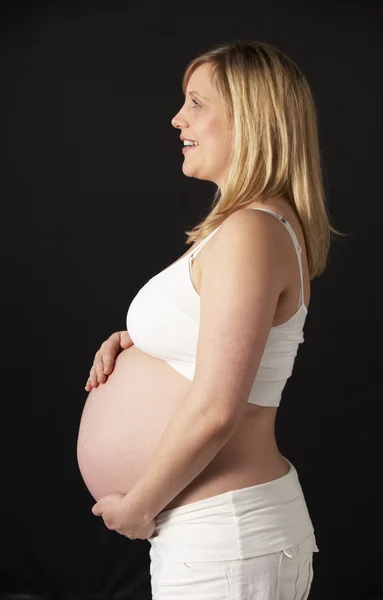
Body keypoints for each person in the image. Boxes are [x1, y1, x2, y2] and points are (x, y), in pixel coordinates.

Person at [87, 39, 342, 599]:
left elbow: (218, 409)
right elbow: (223, 341)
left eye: (196, 102)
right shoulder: (247, 227)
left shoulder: (253, 231)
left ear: (251, 119)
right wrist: (141, 344)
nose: (178, 119)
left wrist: (139, 506)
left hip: (225, 536)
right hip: (216, 534)